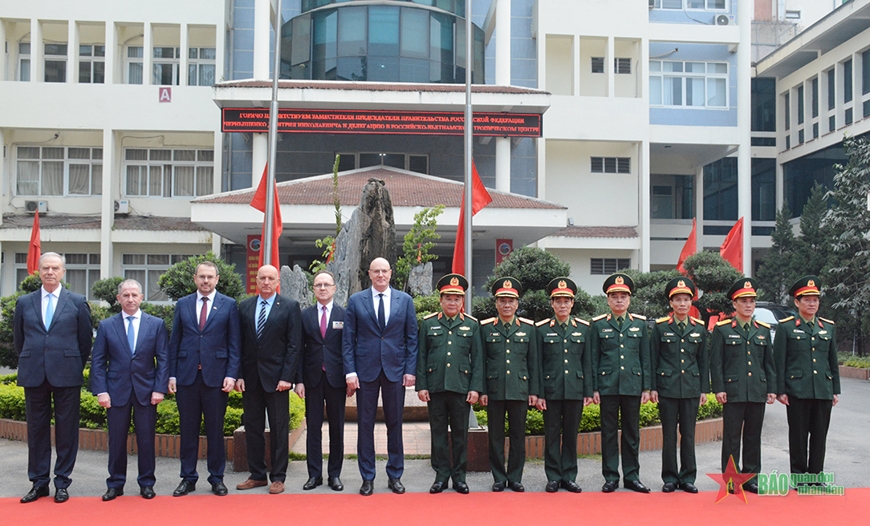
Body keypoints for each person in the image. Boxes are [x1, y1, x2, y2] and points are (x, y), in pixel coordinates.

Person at [14, 252, 92, 504]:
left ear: (63, 272)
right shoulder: (25, 302)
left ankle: (62, 481)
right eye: (45, 267)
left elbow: (84, 341)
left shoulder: (77, 302)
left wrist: (73, 364)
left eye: (54, 268)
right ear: (38, 271)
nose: (50, 272)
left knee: (66, 430)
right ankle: (39, 482)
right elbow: (19, 339)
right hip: (34, 371)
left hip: (67, 373)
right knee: (36, 430)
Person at [343, 257, 418, 496]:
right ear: (369, 274)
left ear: (390, 273)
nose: (380, 275)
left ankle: (395, 475)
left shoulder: (404, 300)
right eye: (376, 271)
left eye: (384, 271)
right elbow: (348, 339)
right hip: (365, 371)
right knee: (365, 425)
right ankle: (367, 477)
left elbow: (412, 338)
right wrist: (350, 372)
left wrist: (409, 370)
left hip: (395, 370)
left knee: (394, 424)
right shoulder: (356, 301)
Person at [90, 279, 170, 501]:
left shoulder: (155, 324)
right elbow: (98, 361)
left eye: (134, 295)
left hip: (146, 391)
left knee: (146, 439)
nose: (130, 299)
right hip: (116, 392)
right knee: (116, 440)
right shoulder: (107, 326)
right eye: (126, 295)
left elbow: (163, 359)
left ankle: (147, 483)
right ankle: (115, 483)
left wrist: (159, 388)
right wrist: (101, 391)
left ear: (142, 298)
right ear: (118, 299)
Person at [168, 261, 241, 497]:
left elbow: (234, 344)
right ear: (195, 279)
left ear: (217, 279)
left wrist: (232, 374)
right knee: (188, 430)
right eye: (202, 277)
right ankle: (188, 478)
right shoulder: (183, 304)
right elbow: (174, 342)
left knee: (215, 431)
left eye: (210, 277)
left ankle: (216, 478)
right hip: (187, 377)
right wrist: (171, 374)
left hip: (217, 378)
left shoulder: (228, 305)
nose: (206, 281)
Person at [235, 265, 301, 495]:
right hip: (251, 378)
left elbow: (294, 346)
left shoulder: (290, 307)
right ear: (256, 279)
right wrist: (239, 375)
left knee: (278, 428)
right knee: (252, 427)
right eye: (262, 278)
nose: (266, 281)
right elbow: (239, 344)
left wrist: (287, 377)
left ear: (277, 281)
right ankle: (257, 475)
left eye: (270, 278)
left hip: (277, 380)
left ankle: (278, 476)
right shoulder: (245, 306)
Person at [416, 273, 483, 494]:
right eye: (448, 298)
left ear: (462, 301)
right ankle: (441, 476)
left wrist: (475, 387)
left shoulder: (472, 325)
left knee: (460, 434)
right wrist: (422, 386)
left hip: (461, 388)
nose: (452, 302)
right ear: (441, 300)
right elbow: (422, 356)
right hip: (435, 387)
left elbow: (478, 360)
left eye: (457, 298)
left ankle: (460, 477)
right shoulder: (428, 324)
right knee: (438, 435)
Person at [710, 278, 776, 494]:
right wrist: (719, 388)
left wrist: (771, 388)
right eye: (744, 301)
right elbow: (716, 362)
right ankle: (731, 478)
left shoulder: (763, 330)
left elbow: (769, 363)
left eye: (751, 301)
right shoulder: (722, 330)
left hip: (757, 389)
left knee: (753, 436)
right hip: (733, 391)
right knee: (731, 437)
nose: (748, 305)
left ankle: (751, 477)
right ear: (734, 304)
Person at [774, 275, 840, 486]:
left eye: (815, 300)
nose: (812, 304)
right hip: (797, 389)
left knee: (820, 436)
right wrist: (780, 390)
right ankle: (799, 476)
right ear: (797, 302)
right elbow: (780, 361)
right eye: (807, 300)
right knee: (799, 435)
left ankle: (816, 476)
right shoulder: (786, 327)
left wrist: (835, 389)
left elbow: (832, 360)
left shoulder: (827, 327)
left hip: (822, 388)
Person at [590, 272, 652, 494]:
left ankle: (632, 476)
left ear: (629, 299)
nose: (619, 300)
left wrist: (647, 387)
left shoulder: (640, 325)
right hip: (607, 386)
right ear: (607, 300)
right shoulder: (598, 326)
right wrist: (594, 388)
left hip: (632, 385)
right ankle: (610, 477)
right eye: (614, 296)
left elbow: (646, 358)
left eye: (623, 296)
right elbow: (593, 358)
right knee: (608, 433)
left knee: (631, 433)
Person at [479, 277, 539, 492]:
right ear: (496, 303)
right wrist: (482, 390)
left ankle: (515, 477)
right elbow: (480, 363)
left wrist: (534, 391)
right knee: (495, 436)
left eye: (511, 301)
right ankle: (498, 477)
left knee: (517, 436)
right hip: (494, 390)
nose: (506, 305)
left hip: (519, 389)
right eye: (502, 301)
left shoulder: (528, 329)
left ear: (517, 304)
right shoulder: (485, 328)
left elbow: (533, 363)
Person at [650, 277, 708, 494]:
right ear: (671, 303)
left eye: (686, 300)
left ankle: (688, 477)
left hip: (691, 388)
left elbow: (703, 361)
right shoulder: (660, 328)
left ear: (691, 303)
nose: (682, 304)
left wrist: (704, 389)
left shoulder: (699, 328)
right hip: (667, 388)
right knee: (669, 435)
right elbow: (653, 358)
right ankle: (670, 478)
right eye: (678, 300)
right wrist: (653, 387)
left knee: (689, 434)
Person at [535, 277, 592, 493]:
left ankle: (569, 476)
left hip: (574, 390)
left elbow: (587, 362)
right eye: (558, 301)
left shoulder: (584, 328)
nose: (562, 305)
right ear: (551, 303)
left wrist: (587, 391)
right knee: (551, 434)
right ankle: (552, 477)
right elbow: (537, 365)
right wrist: (539, 394)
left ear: (572, 303)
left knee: (570, 434)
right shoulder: (541, 329)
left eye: (566, 301)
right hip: (550, 391)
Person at [295, 270, 347, 492]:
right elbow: (298, 350)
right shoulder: (304, 315)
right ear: (313, 289)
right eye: (318, 285)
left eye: (327, 284)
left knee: (337, 428)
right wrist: (299, 380)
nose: (323, 288)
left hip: (336, 379)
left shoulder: (344, 315)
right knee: (313, 428)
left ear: (334, 288)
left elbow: (348, 349)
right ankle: (314, 474)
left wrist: (350, 377)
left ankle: (334, 474)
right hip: (312, 379)